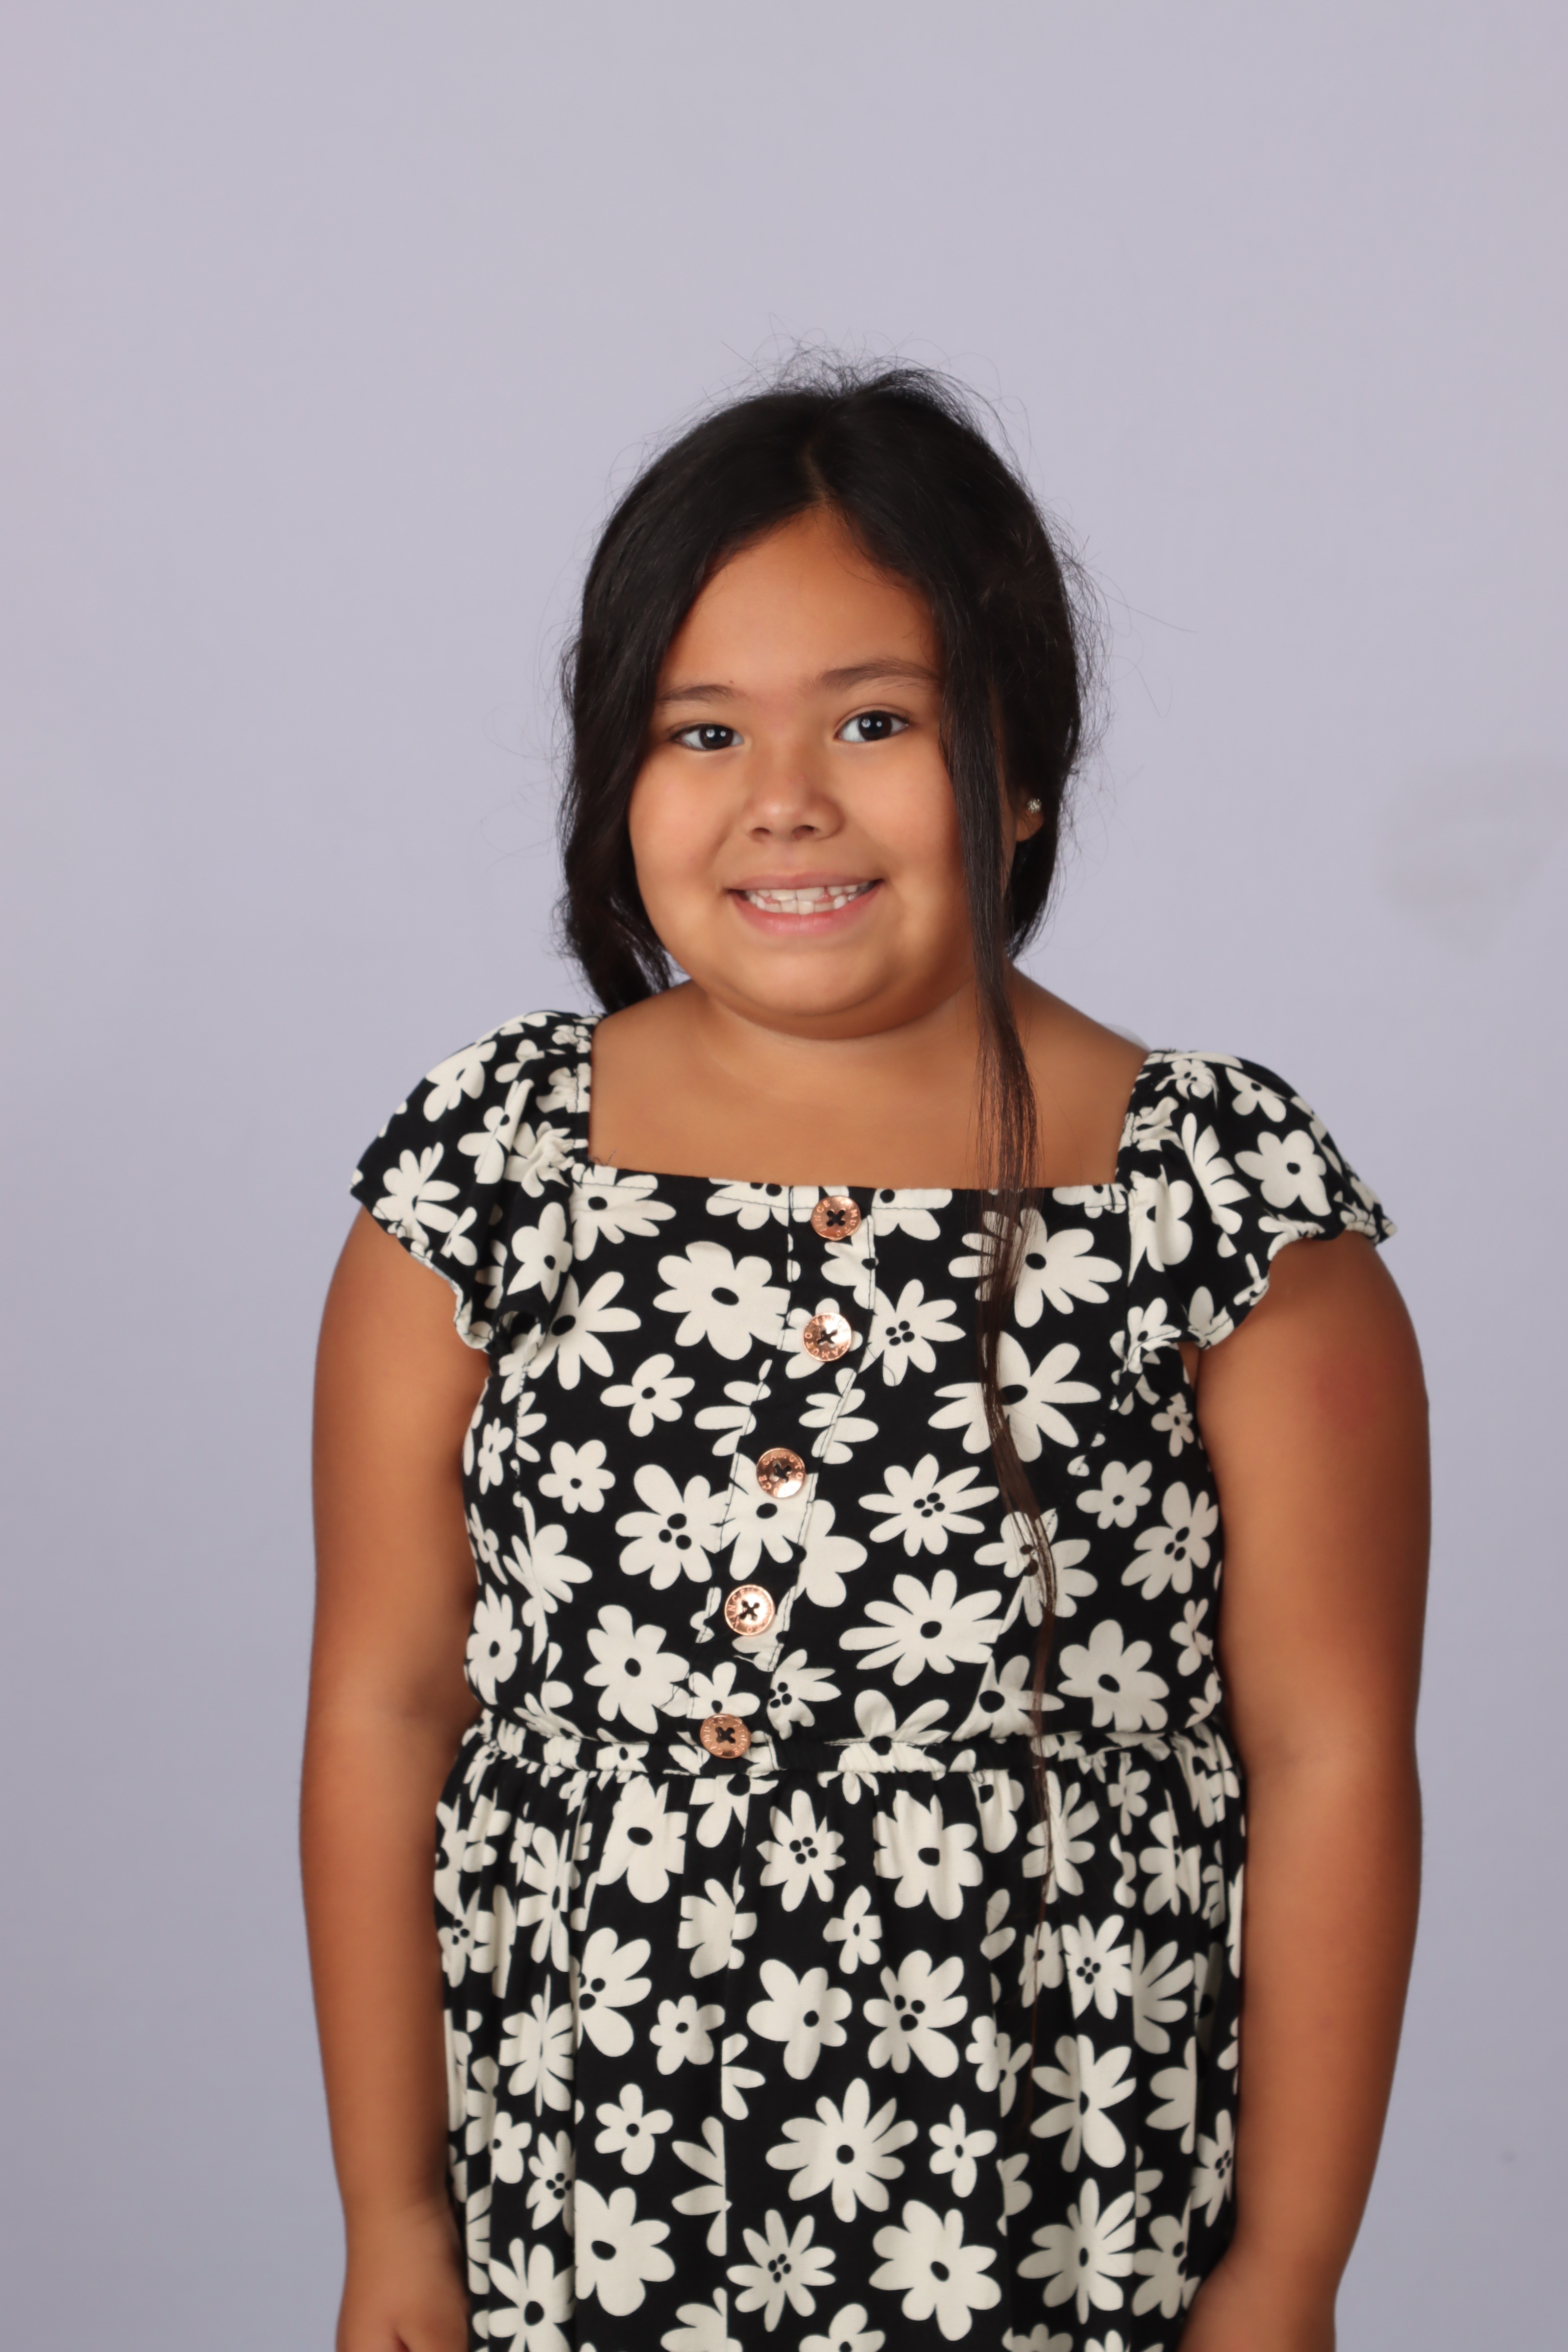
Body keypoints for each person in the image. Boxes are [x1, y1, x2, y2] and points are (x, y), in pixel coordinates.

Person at [302, 365, 1429, 2352]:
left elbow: (1329, 1758)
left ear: (1020, 767)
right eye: (702, 730)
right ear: (617, 776)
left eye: (875, 720)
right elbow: (388, 1705)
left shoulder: (1218, 1205)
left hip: (1058, 2217)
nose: (785, 797)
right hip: (586, 2207)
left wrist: (1287, 2271)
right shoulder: (489, 1174)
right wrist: (394, 2219)